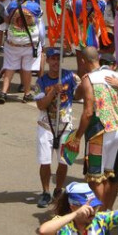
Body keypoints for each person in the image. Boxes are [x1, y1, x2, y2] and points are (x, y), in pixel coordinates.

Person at [72, 46, 118, 209]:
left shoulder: (89, 79)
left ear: (83, 61)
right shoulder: (116, 76)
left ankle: (100, 214)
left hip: (98, 132)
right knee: (111, 176)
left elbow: (88, 112)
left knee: (96, 178)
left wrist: (77, 136)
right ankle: (107, 212)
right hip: (117, 131)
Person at [34, 47, 81, 208]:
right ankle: (46, 192)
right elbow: (41, 105)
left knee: (63, 162)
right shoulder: (41, 82)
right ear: (47, 61)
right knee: (45, 161)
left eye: (57, 58)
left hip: (65, 125)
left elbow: (82, 92)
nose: (55, 62)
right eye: (52, 59)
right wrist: (53, 91)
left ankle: (58, 190)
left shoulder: (70, 76)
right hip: (46, 125)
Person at [37, 181, 118, 235]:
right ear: (73, 206)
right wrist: (75, 215)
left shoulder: (101, 220)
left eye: (95, 207)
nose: (93, 212)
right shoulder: (61, 225)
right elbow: (43, 231)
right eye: (89, 208)